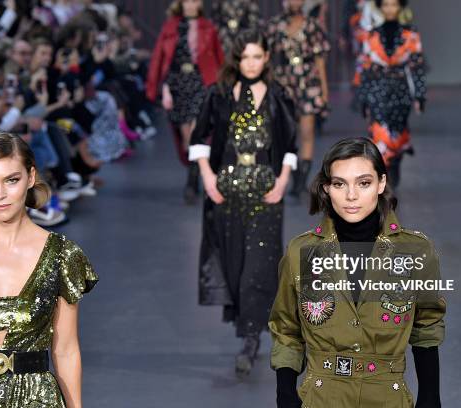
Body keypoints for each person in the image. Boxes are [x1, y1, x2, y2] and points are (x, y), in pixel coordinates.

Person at [269, 138, 445, 407]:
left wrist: (431, 398)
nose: (351, 196)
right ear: (327, 188)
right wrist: (285, 396)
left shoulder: (415, 252)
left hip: (388, 398)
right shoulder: (301, 252)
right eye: (340, 184)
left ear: (381, 184)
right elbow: (286, 330)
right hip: (320, 397)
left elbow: (427, 327)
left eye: (364, 183)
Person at [0, 132, 98, 407]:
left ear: (31, 177)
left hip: (39, 398)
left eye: (11, 180)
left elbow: (66, 349)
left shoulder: (62, 254)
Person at [188, 29, 297, 378]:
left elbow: (289, 143)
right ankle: (252, 327)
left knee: (259, 266)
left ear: (266, 58)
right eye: (244, 56)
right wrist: (206, 176)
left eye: (257, 56)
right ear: (237, 60)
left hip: (265, 188)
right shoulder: (219, 94)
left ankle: (250, 339)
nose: (250, 63)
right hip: (227, 190)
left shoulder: (278, 95)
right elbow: (199, 136)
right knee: (234, 266)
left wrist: (282, 180)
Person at [146, 0, 224, 204]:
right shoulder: (171, 26)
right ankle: (195, 172)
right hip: (178, 84)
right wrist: (163, 88)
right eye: (187, 0)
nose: (190, 4)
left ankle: (191, 181)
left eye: (194, 0)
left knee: (197, 131)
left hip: (201, 82)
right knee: (185, 137)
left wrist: (222, 86)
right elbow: (161, 60)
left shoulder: (208, 27)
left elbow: (218, 58)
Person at [266, 0, 330, 199]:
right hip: (284, 81)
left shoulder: (312, 25)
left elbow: (320, 59)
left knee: (307, 129)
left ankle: (301, 180)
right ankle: (293, 174)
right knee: (287, 131)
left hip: (308, 80)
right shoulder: (275, 24)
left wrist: (324, 89)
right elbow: (266, 56)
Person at [359, 0, 425, 188]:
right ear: (380, 7)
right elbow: (365, 66)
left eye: (393, 5)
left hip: (400, 89)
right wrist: (363, 96)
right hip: (377, 88)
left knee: (398, 130)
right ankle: (384, 173)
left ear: (400, 7)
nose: (389, 9)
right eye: (386, 5)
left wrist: (420, 94)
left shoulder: (411, 34)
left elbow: (417, 66)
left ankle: (394, 162)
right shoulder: (371, 35)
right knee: (379, 131)